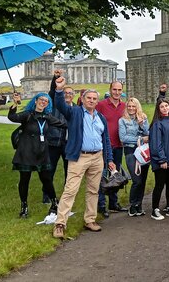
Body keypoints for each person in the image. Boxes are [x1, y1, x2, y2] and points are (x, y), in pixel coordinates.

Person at [52, 78, 116, 239]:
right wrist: (59, 90)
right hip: (79, 157)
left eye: (95, 99)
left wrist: (109, 159)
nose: (92, 101)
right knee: (70, 190)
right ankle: (60, 223)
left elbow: (106, 139)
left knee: (93, 190)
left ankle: (90, 220)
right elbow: (60, 106)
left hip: (97, 157)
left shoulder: (100, 117)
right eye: (89, 98)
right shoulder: (75, 113)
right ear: (83, 99)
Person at [8, 92, 65, 219]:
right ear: (35, 101)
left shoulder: (47, 117)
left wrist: (77, 123)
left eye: (46, 101)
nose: (43, 102)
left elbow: (63, 124)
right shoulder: (27, 115)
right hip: (26, 152)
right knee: (24, 180)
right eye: (41, 100)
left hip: (41, 153)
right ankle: (24, 207)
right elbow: (12, 117)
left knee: (46, 179)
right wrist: (14, 103)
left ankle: (55, 203)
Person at [96, 81, 127, 216]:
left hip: (118, 145)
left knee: (115, 175)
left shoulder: (124, 106)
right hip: (103, 146)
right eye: (114, 89)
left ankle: (113, 203)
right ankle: (101, 205)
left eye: (119, 90)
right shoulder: (101, 105)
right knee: (102, 176)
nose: (117, 92)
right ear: (110, 90)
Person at [42, 71, 71, 204]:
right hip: (54, 141)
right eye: (66, 93)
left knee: (69, 172)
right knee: (50, 169)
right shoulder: (54, 104)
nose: (68, 95)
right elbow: (52, 92)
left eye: (70, 93)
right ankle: (47, 195)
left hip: (69, 144)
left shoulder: (75, 108)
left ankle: (67, 196)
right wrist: (56, 78)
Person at [119, 97, 149, 216]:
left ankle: (139, 204)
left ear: (137, 107)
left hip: (143, 152)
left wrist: (142, 125)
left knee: (143, 180)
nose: (131, 108)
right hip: (130, 151)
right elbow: (123, 138)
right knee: (136, 180)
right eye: (129, 106)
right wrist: (140, 139)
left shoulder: (143, 117)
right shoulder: (122, 120)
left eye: (133, 106)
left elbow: (149, 134)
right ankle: (132, 204)